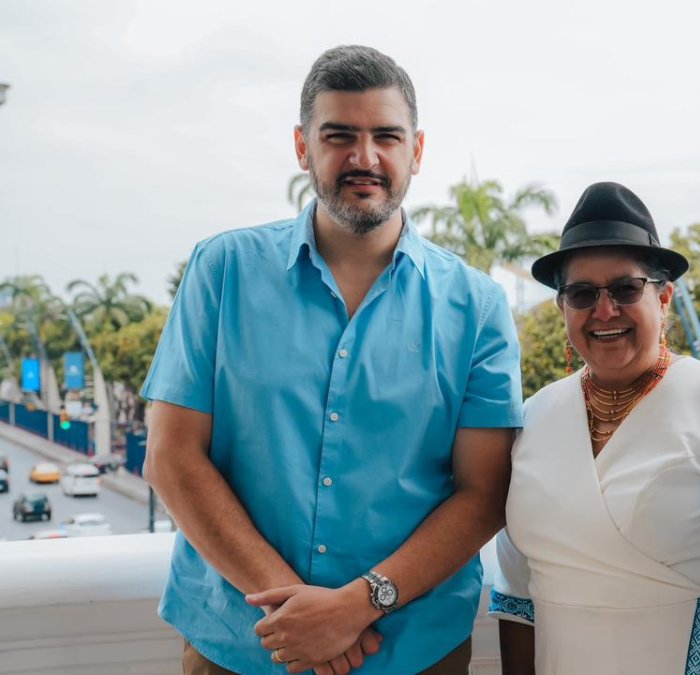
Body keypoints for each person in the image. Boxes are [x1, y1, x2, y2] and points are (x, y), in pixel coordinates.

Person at [141, 45, 522, 675]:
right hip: (240, 646)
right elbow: (172, 457)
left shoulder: (476, 306)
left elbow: (484, 491)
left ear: (417, 152)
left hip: (413, 650)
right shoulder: (222, 271)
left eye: (386, 137)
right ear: (302, 147)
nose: (364, 158)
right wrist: (300, 614)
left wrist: (357, 605)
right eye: (339, 135)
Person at [489, 181, 700, 675]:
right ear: (562, 310)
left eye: (625, 289)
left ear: (664, 298)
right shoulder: (533, 419)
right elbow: (516, 599)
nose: (604, 311)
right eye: (581, 294)